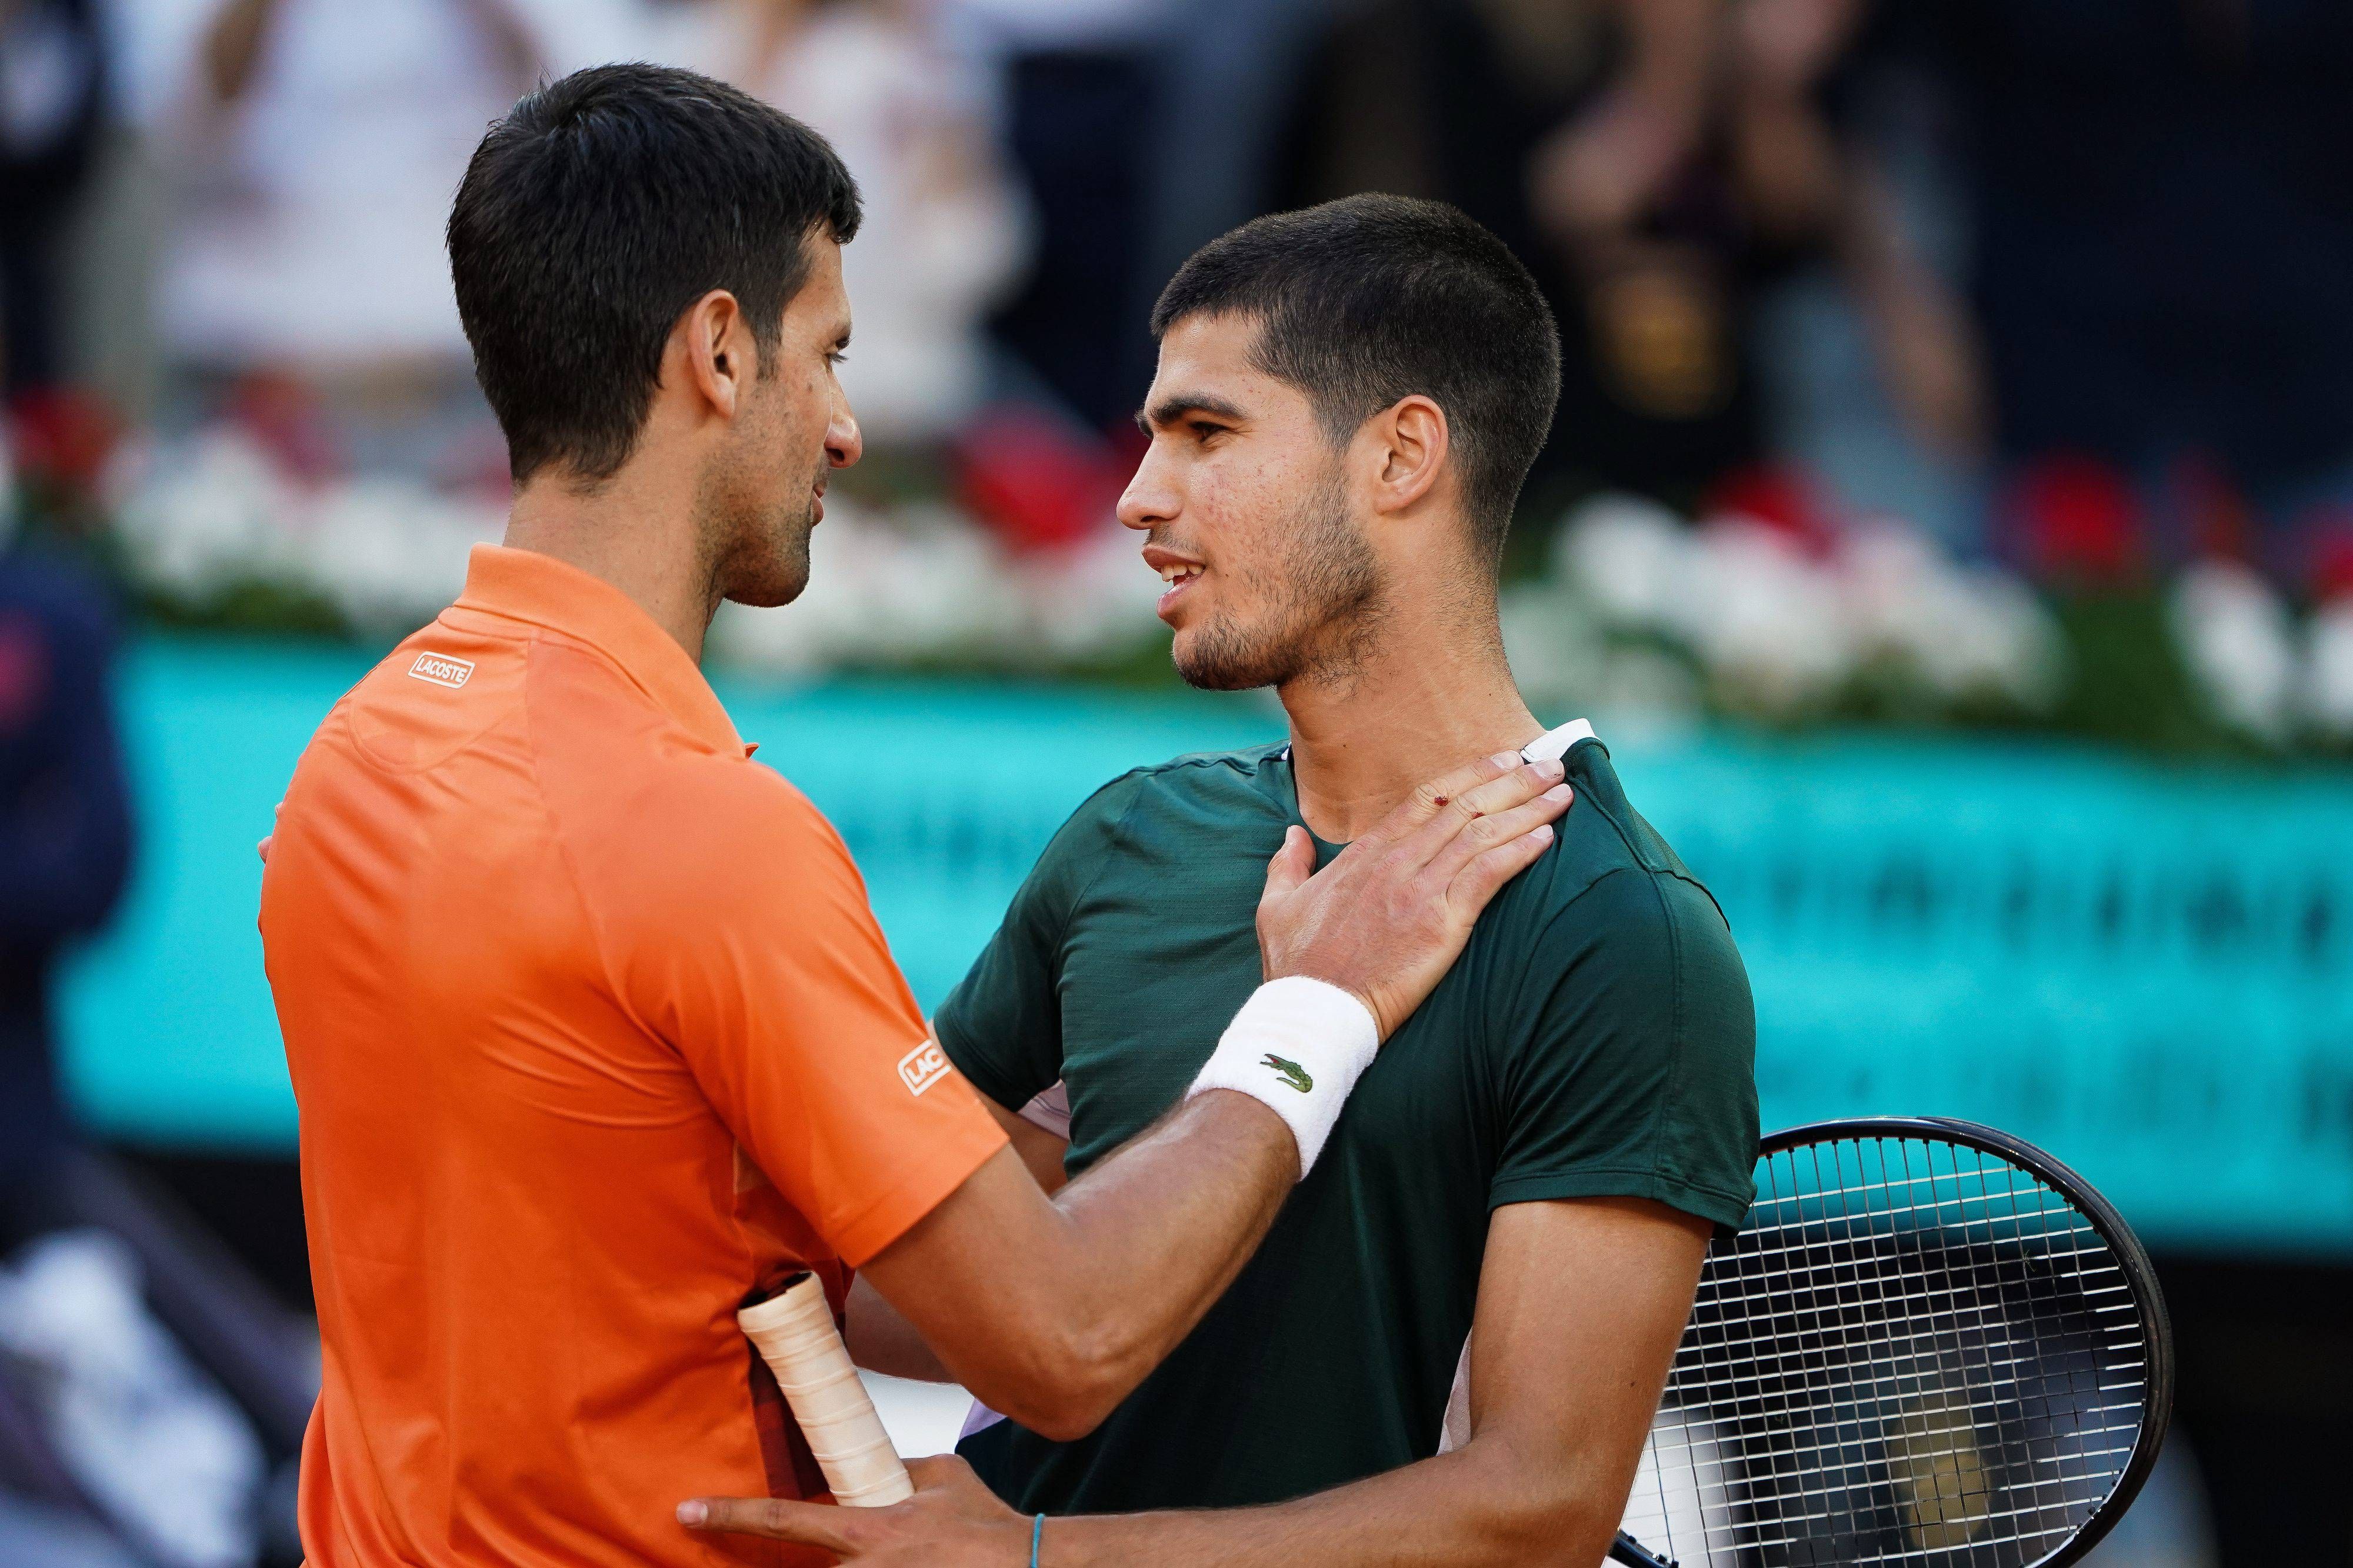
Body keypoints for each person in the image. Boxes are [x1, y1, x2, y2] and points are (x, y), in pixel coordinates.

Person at [256, 68, 1569, 1568]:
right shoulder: (693, 832)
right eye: (826, 355)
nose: (845, 428)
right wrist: (1317, 1008)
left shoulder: (352, 758)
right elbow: (1059, 1343)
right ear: (718, 352)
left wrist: (1136, 1136)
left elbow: (716, 1225)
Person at [684, 196, 1759, 1565]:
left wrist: (1033, 1560)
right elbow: (893, 1302)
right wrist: (1100, 1170)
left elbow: (1536, 1508)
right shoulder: (1130, 837)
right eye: (1148, 440)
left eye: (1204, 433)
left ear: (1399, 455)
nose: (1136, 495)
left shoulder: (1625, 938)